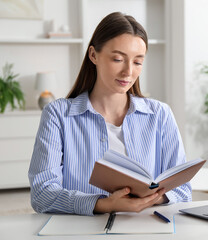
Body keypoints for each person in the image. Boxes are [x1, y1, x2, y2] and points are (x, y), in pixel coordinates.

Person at [28, 12, 191, 216]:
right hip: (81, 231)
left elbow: (183, 190)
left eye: (138, 62)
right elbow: (42, 195)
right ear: (93, 55)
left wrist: (153, 198)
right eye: (118, 59)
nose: (128, 72)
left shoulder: (160, 114)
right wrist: (104, 204)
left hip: (145, 228)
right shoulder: (58, 115)